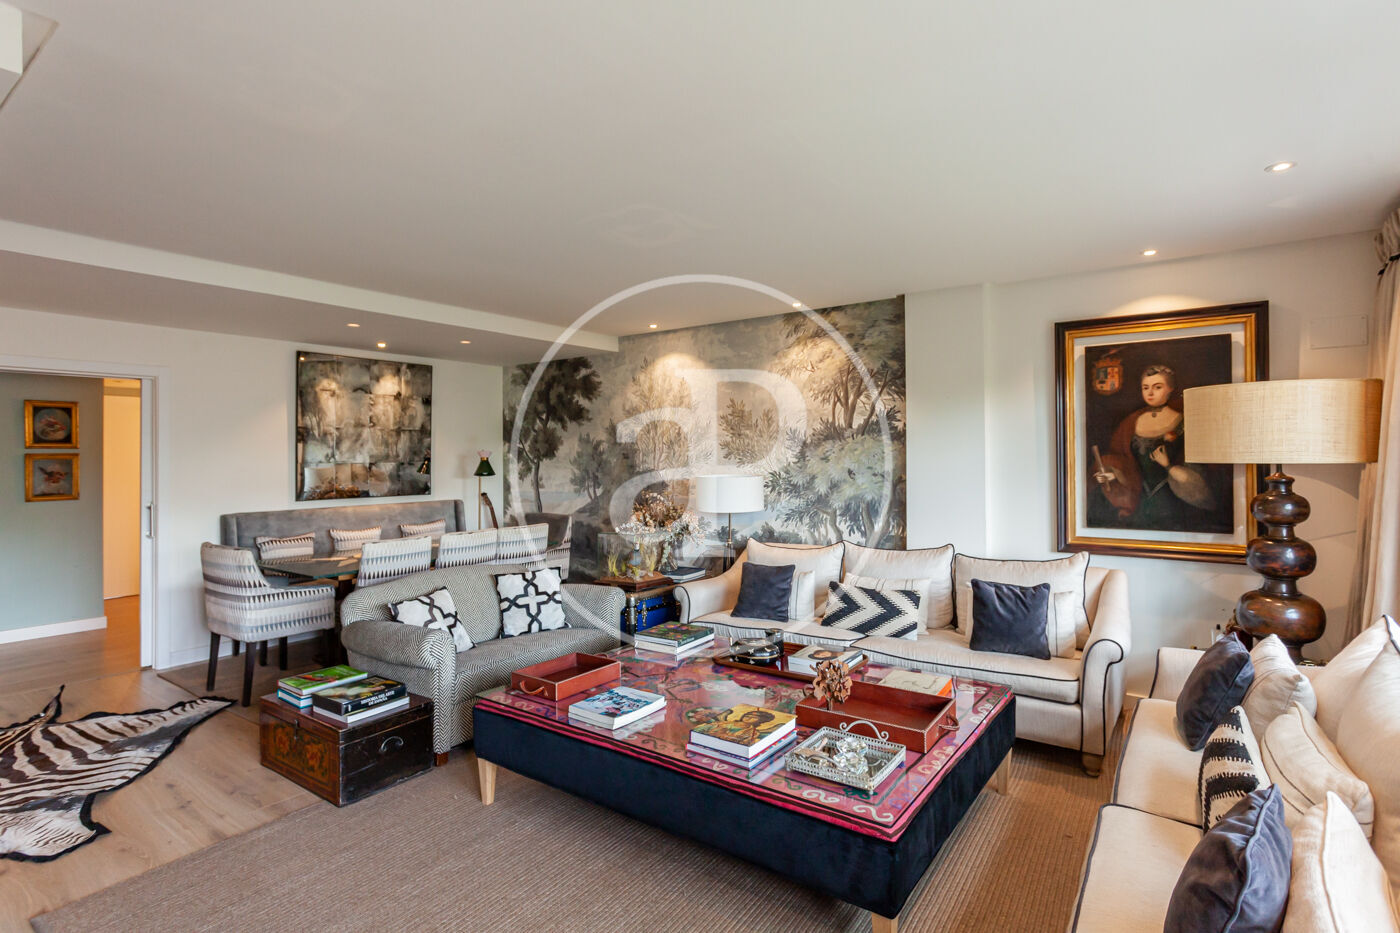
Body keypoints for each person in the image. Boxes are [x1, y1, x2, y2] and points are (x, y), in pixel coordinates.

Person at [1092, 364, 1214, 529]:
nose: (1150, 393)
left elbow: (1199, 470)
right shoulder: (1131, 423)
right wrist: (1112, 475)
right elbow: (1124, 462)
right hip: (1140, 498)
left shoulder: (1184, 421)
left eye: (1157, 387)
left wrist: (1168, 466)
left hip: (1174, 500)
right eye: (1145, 388)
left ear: (1170, 388)